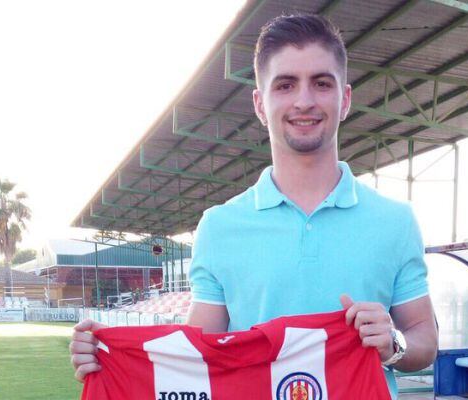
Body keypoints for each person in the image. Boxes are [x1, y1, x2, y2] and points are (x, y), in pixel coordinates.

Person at [70, 13, 438, 398]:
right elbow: (197, 355)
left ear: (344, 99)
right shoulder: (219, 226)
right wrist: (106, 354)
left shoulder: (394, 221)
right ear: (260, 104)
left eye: (321, 83)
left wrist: (393, 343)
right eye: (285, 85)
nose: (304, 100)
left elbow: (424, 339)